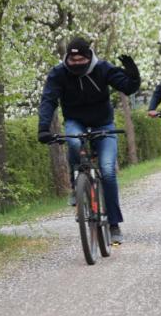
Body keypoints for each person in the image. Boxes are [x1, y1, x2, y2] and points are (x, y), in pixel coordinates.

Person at [37, 37, 141, 243]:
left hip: (104, 123)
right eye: (72, 60)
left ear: (88, 57)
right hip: (76, 121)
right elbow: (48, 100)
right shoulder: (59, 73)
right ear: (67, 58)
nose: (76, 64)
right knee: (74, 142)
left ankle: (113, 225)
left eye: (80, 60)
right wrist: (43, 128)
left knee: (108, 171)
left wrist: (133, 74)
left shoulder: (102, 68)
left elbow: (128, 88)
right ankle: (77, 184)